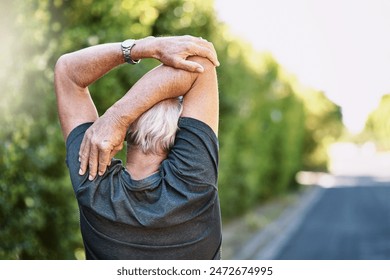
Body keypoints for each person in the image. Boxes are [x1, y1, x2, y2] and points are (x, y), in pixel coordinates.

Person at [54, 35, 222, 259]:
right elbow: (200, 64)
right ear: (182, 138)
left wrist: (145, 47)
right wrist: (118, 117)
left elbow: (67, 71)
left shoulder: (92, 181)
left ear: (127, 131)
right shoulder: (194, 180)